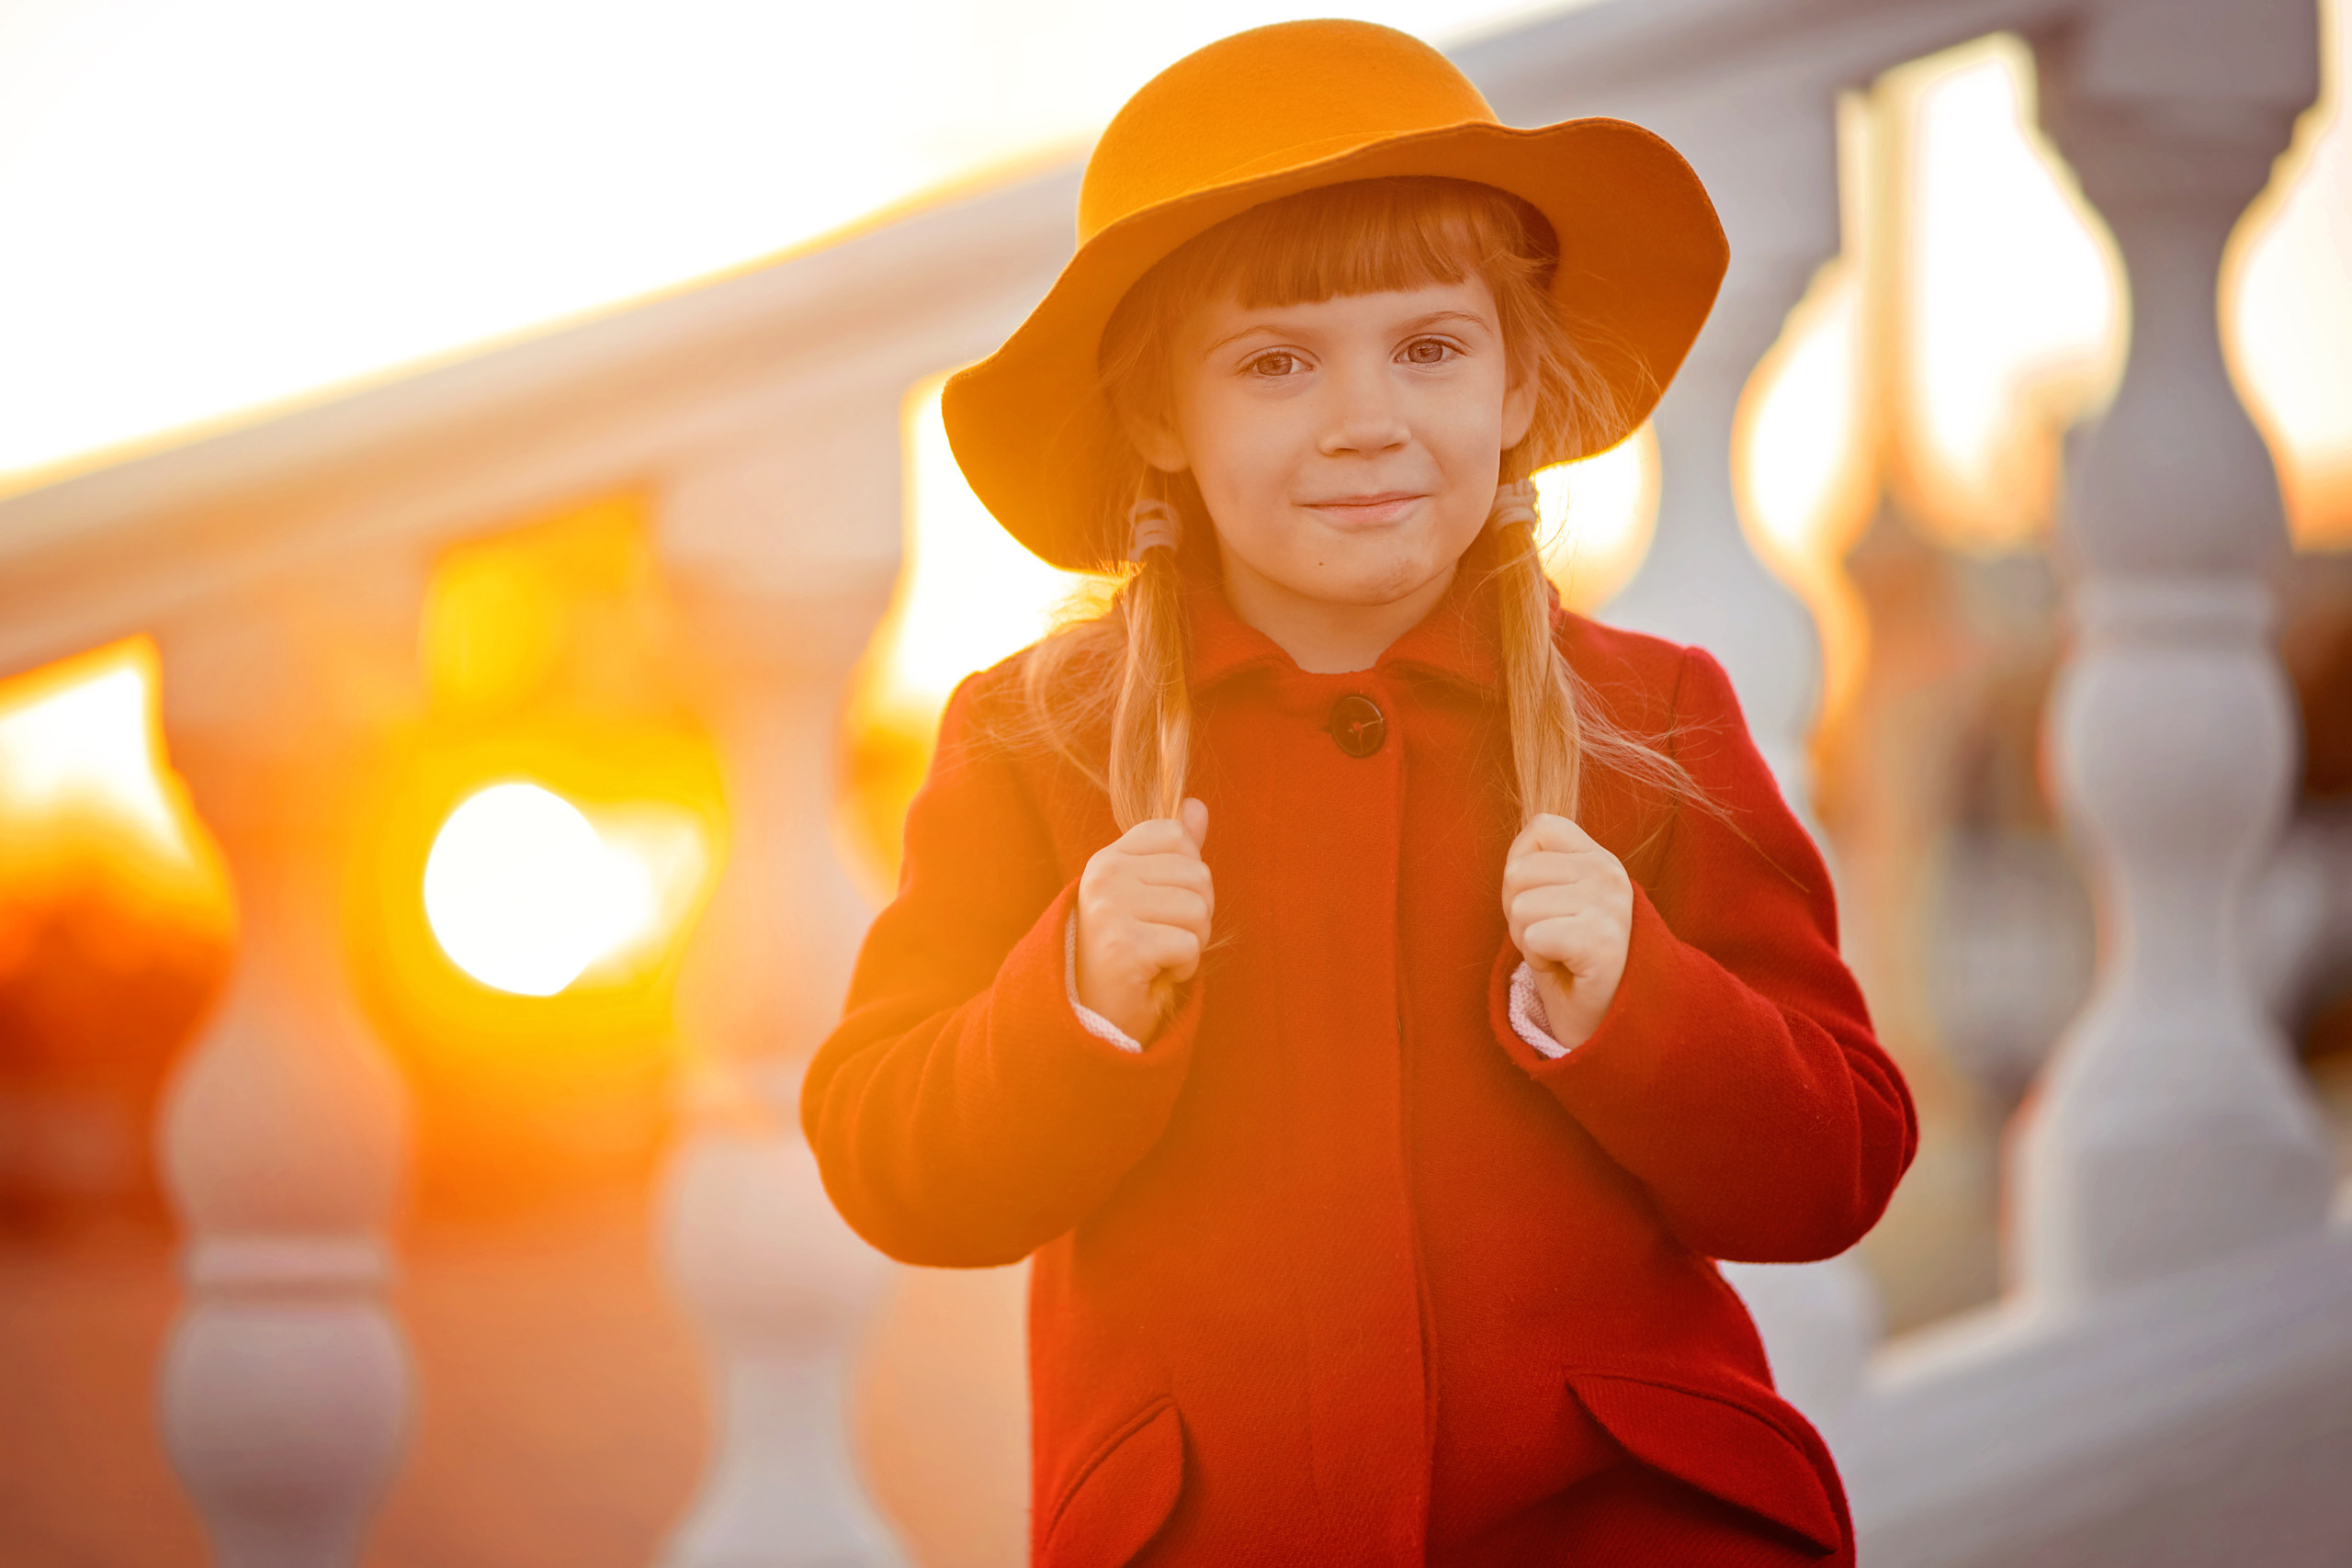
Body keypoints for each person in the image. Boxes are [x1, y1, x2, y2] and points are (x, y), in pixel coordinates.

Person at [802, 19, 1916, 1566]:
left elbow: (1838, 1167)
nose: (1366, 419)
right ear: (1155, 418)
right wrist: (1072, 996)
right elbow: (889, 1156)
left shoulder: (1649, 719)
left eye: (1432, 346)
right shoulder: (1032, 742)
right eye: (1274, 364)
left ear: (1520, 380)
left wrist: (1640, 1002)